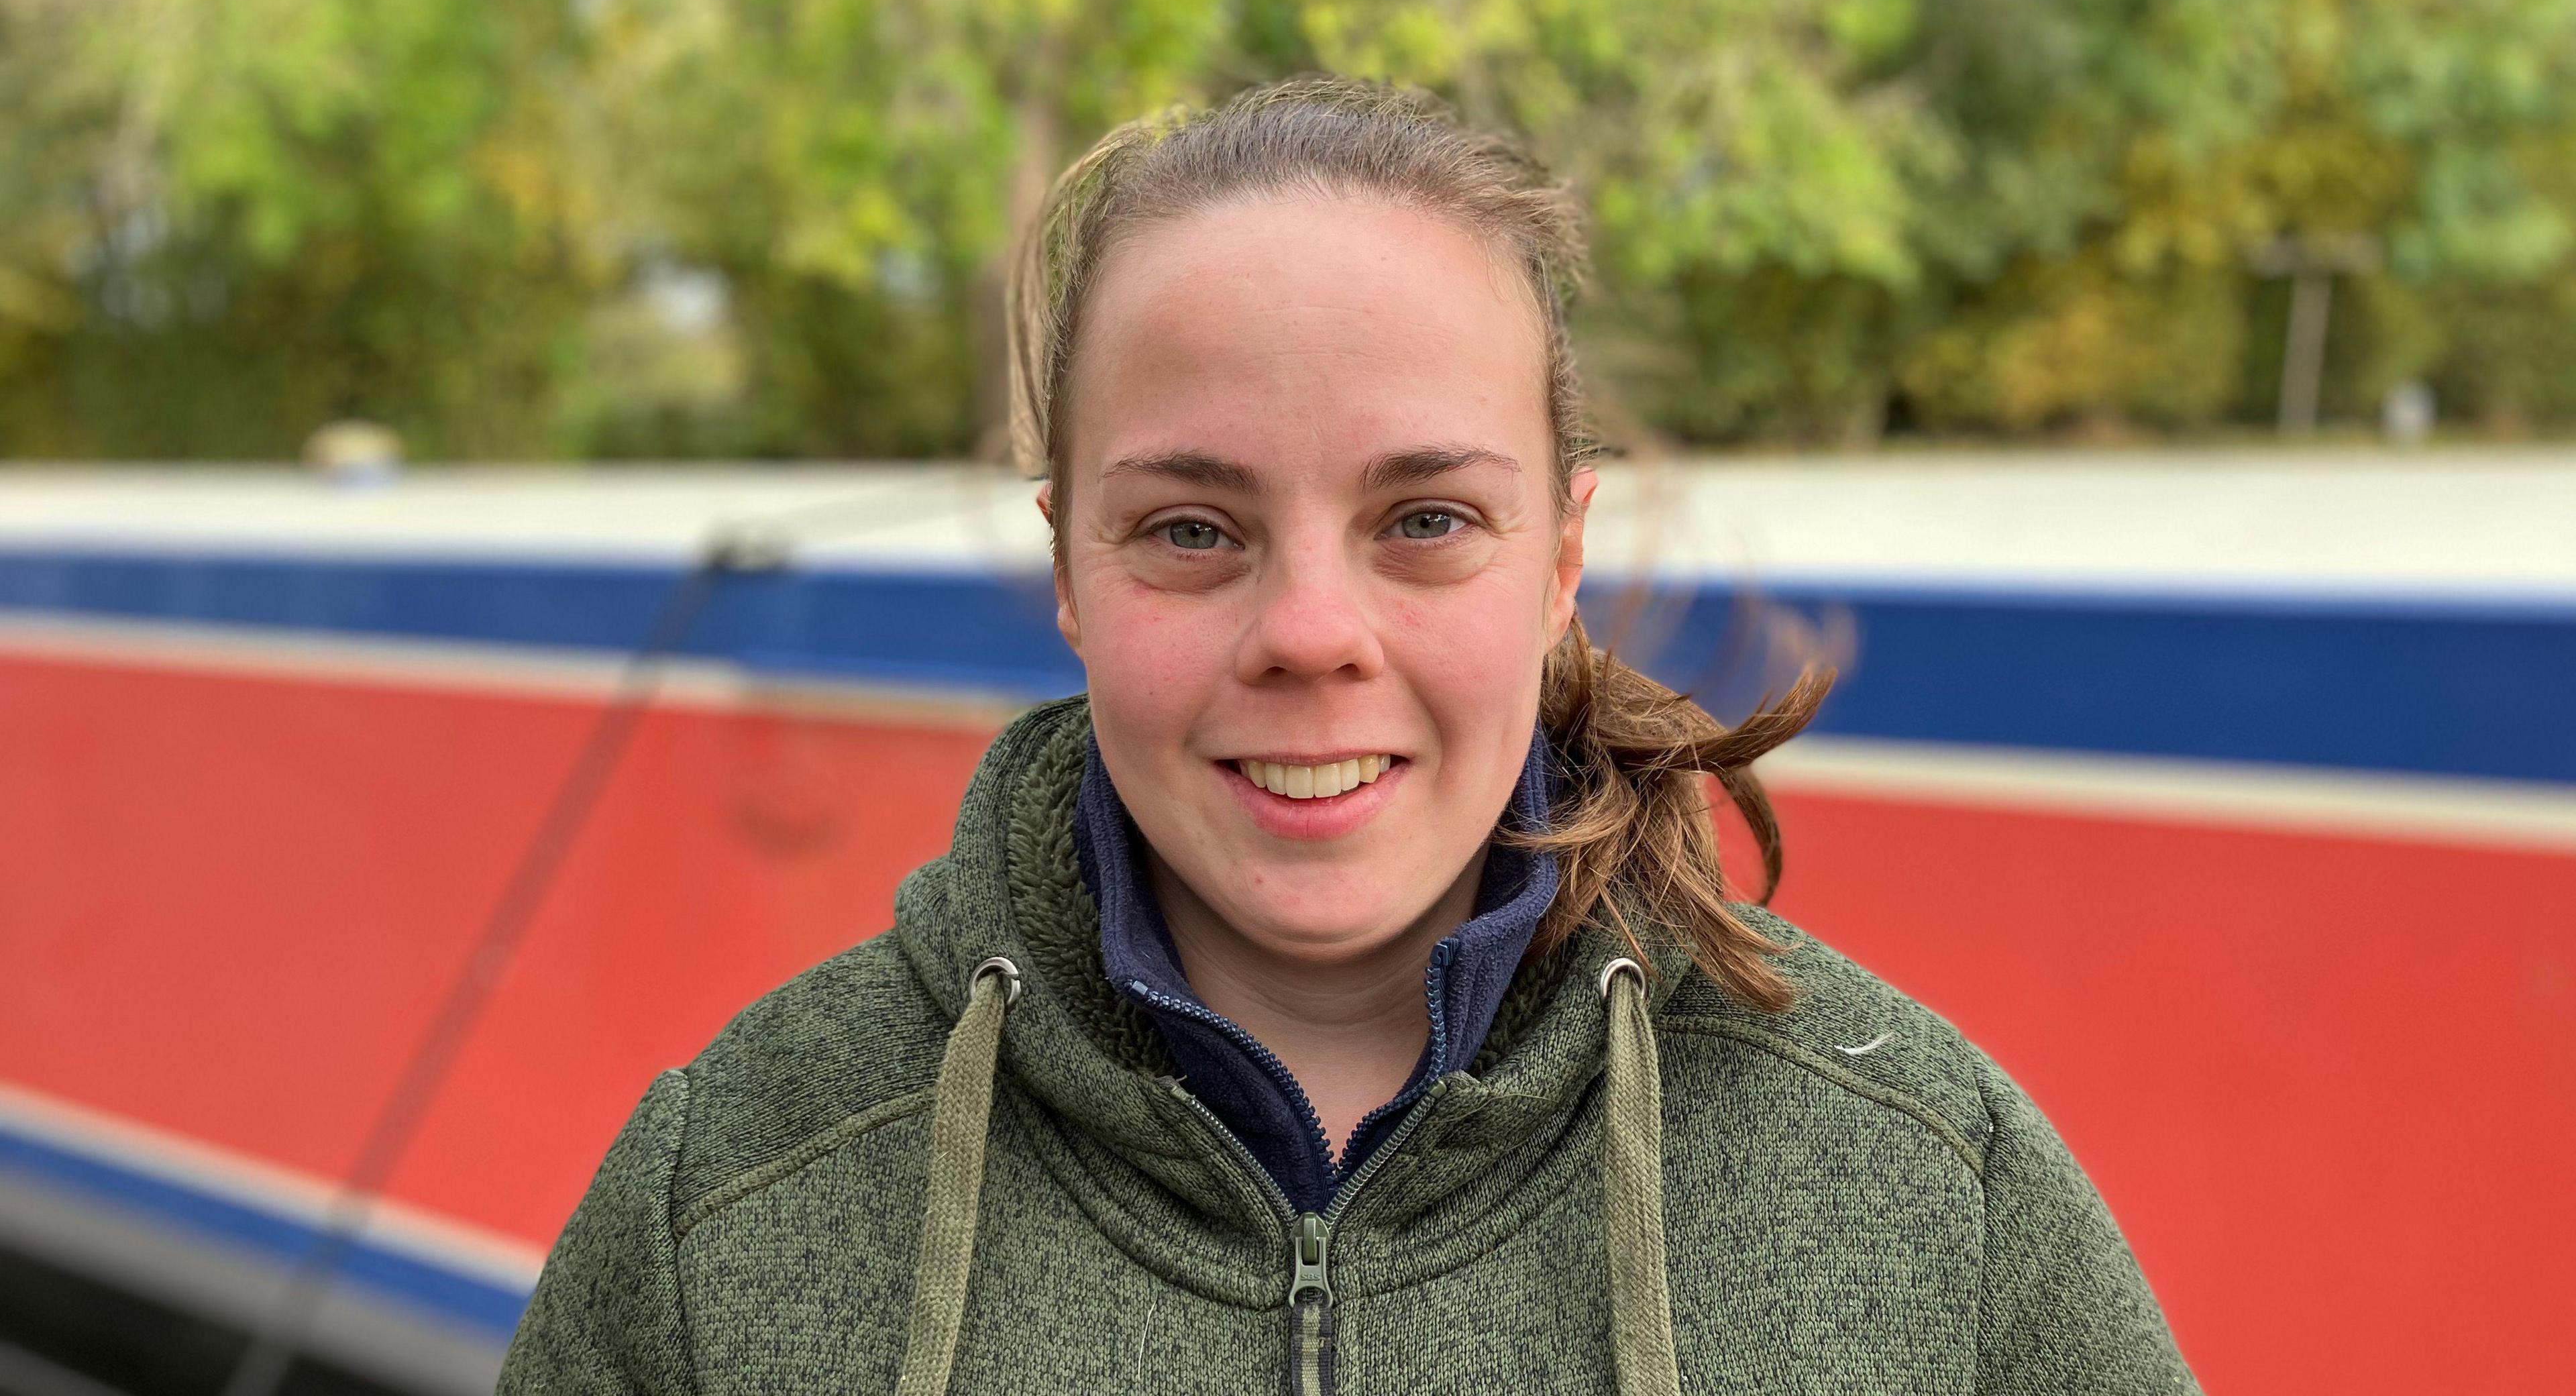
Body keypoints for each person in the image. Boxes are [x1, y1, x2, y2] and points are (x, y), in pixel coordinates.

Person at [498, 76, 2199, 1395]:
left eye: (1427, 521)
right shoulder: (726, 1192)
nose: (1311, 632)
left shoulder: (1923, 1177)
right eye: (1190, 530)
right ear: (1071, 571)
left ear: (1564, 557)